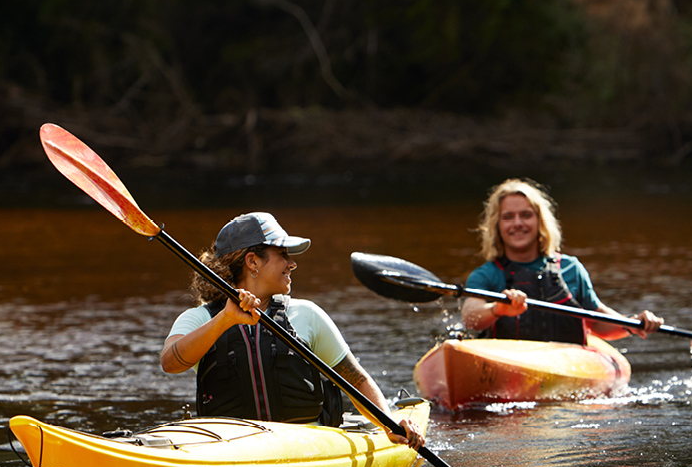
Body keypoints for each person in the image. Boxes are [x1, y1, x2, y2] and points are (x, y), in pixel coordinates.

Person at [161, 212, 425, 450]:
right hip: (229, 447)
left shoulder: (307, 315)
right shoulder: (201, 318)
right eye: (283, 255)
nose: (292, 264)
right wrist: (224, 320)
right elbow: (170, 363)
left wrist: (389, 422)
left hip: (305, 444)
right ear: (252, 261)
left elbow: (356, 380)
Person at [460, 179, 664, 343]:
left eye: (526, 215)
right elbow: (470, 317)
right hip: (506, 364)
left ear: (540, 221)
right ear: (497, 226)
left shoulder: (570, 269)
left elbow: (599, 323)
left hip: (567, 364)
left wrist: (634, 323)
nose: (518, 223)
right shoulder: (486, 275)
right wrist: (498, 308)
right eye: (508, 217)